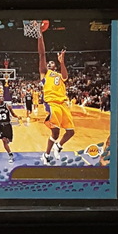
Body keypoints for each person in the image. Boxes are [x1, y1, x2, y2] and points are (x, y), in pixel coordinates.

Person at [36, 33, 75, 163]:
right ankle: (46, 155)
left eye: (52, 63)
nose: (49, 64)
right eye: (48, 63)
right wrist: (40, 35)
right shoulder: (44, 73)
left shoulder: (59, 74)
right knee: (56, 132)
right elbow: (42, 55)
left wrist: (62, 62)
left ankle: (58, 146)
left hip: (63, 104)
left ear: (55, 66)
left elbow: (65, 77)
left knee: (70, 132)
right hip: (52, 104)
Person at [0, 90, 18, 163]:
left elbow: (13, 114)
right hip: (0, 126)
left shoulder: (7, 106)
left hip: (8, 125)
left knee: (9, 140)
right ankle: (10, 154)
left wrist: (18, 117)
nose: (2, 98)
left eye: (2, 97)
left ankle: (7, 141)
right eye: (0, 97)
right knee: (4, 140)